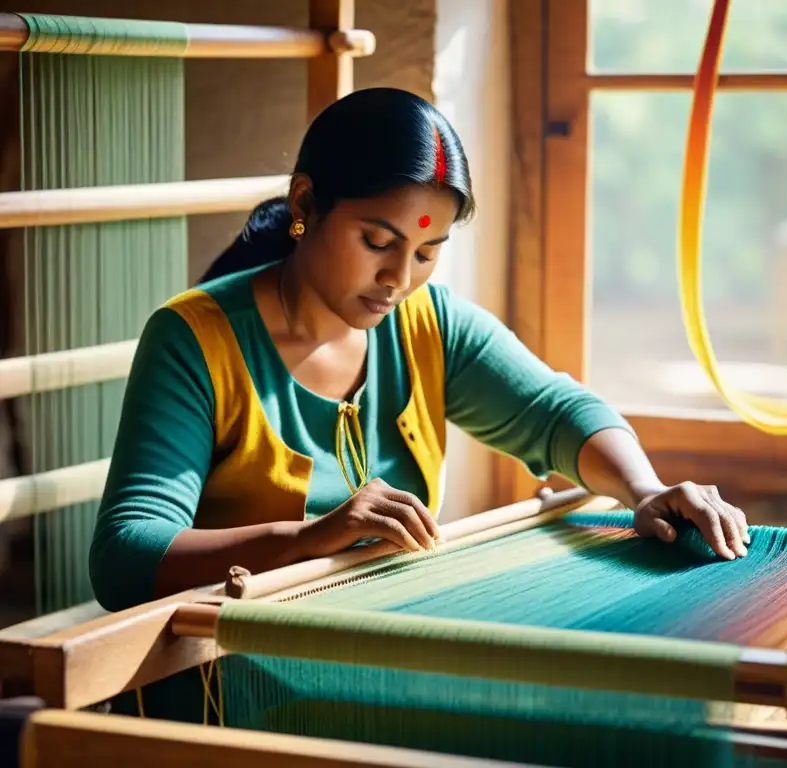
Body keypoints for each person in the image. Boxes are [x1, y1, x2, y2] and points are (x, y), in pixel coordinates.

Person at [88, 87, 749, 720]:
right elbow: (125, 557)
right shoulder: (194, 340)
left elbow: (554, 411)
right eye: (377, 243)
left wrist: (644, 488)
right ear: (305, 204)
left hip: (384, 654)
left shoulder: (425, 323)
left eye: (427, 252)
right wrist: (312, 539)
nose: (399, 280)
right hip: (229, 683)